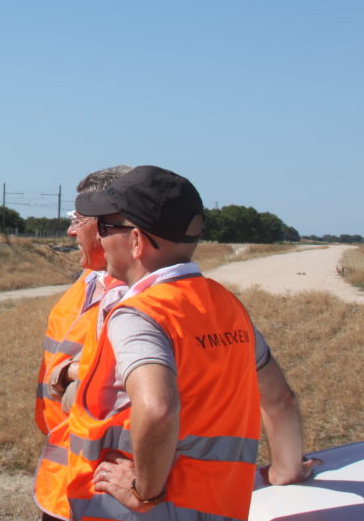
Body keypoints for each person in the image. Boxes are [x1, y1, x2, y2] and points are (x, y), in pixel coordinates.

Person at [66, 166, 314, 521]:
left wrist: (144, 491)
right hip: (221, 506)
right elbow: (280, 400)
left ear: (136, 242)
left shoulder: (139, 314)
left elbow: (158, 408)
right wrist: (286, 470)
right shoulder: (227, 306)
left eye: (105, 227)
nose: (100, 239)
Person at [33, 166, 130, 521]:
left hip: (109, 486)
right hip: (66, 472)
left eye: (78, 218)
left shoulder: (144, 297)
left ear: (110, 221)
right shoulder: (86, 282)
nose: (71, 230)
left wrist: (73, 371)